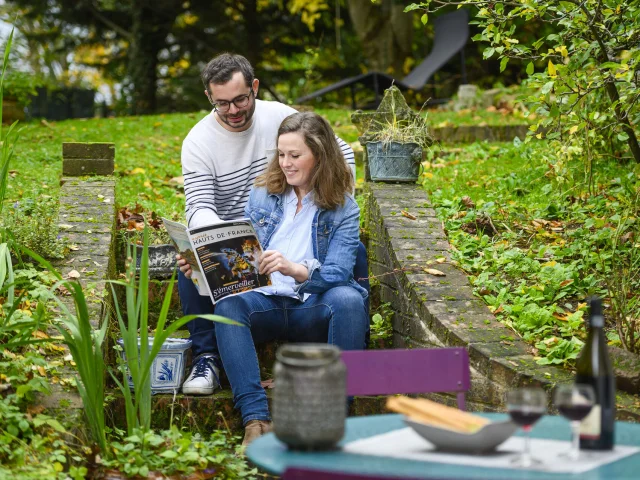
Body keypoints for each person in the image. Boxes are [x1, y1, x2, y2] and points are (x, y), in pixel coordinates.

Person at [177, 53, 368, 396]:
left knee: (353, 261)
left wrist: (332, 194)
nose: (233, 110)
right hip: (245, 227)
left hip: (298, 244)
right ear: (209, 98)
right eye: (222, 104)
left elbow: (341, 154)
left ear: (254, 88)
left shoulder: (282, 117)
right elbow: (200, 206)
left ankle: (345, 349)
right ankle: (208, 357)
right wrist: (214, 243)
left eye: (240, 100)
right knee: (191, 267)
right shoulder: (199, 143)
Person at [214, 112, 368, 445]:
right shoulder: (262, 194)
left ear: (320, 155)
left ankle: (335, 419)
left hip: (312, 305)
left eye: (295, 155)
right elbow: (245, 254)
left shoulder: (344, 208)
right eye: (281, 154)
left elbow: (339, 273)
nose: (285, 163)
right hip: (265, 301)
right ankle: (255, 419)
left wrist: (294, 268)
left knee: (349, 299)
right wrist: (208, 266)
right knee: (227, 303)